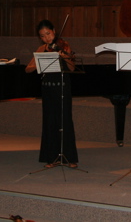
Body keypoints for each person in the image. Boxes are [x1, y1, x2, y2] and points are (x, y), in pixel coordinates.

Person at [25, 20, 78, 168]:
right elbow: (28, 69)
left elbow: (72, 68)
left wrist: (64, 56)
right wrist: (38, 61)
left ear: (54, 31)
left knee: (65, 121)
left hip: (62, 87)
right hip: (47, 88)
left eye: (48, 34)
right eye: (43, 36)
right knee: (50, 122)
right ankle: (51, 157)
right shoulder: (42, 48)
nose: (47, 38)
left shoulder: (64, 45)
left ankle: (69, 157)